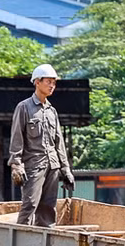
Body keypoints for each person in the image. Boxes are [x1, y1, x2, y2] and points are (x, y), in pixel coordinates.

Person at [8, 63, 75, 227]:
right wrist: (16, 164)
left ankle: (47, 245)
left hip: (53, 166)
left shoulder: (52, 111)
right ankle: (22, 242)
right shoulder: (24, 108)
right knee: (30, 205)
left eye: (54, 82)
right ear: (37, 82)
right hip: (34, 165)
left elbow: (58, 142)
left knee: (48, 207)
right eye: (48, 82)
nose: (52, 86)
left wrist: (65, 169)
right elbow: (17, 137)